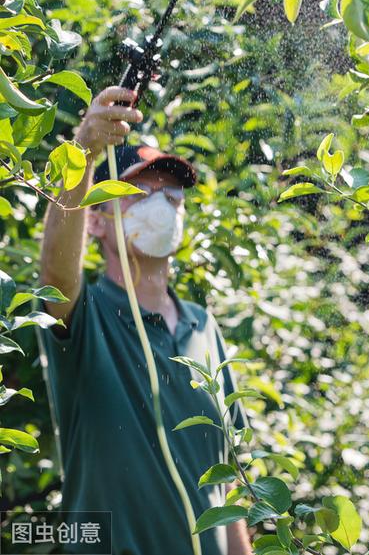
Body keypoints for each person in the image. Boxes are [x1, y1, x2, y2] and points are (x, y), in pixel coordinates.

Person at [37, 86, 252, 555]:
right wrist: (85, 151)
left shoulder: (203, 327)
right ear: (96, 220)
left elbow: (227, 486)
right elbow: (54, 272)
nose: (161, 204)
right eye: (139, 191)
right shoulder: (84, 316)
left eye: (170, 193)